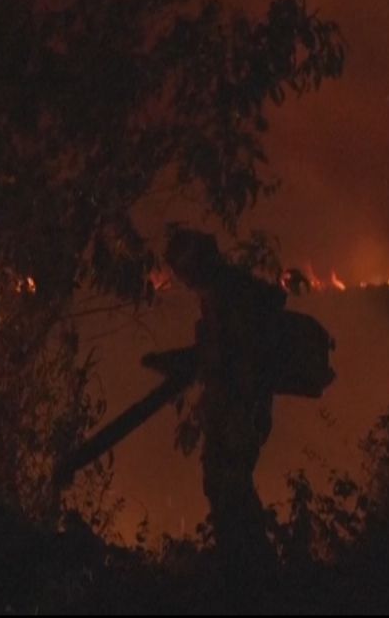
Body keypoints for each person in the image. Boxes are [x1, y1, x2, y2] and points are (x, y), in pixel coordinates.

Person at [162, 227, 286, 591]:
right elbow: (219, 353)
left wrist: (239, 415)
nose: (182, 279)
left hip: (239, 408)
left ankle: (254, 580)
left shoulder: (228, 295)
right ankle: (251, 576)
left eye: (183, 268)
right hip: (236, 406)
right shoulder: (227, 292)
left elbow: (238, 359)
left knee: (229, 487)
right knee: (227, 486)